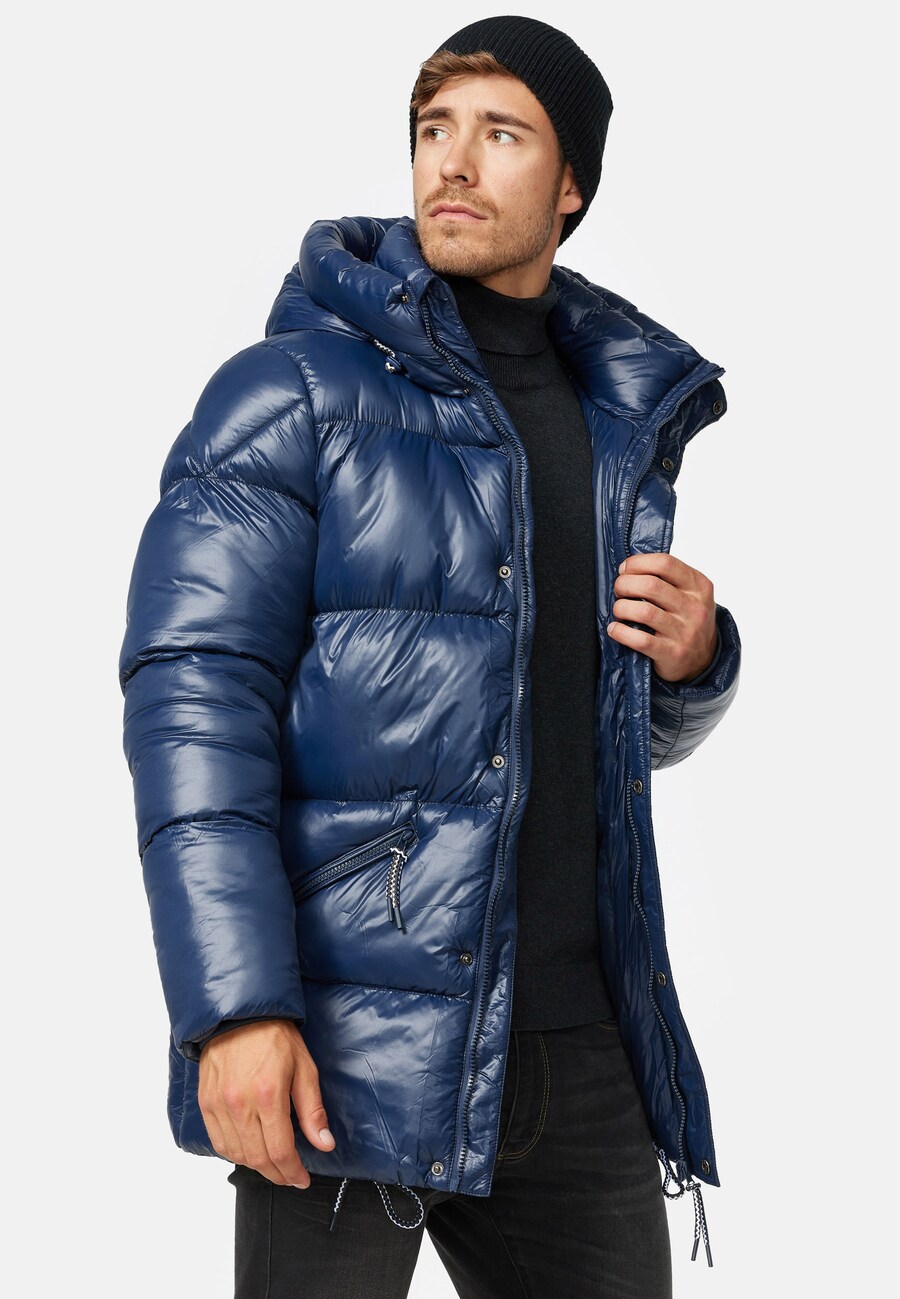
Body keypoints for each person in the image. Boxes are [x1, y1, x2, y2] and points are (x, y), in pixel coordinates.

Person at [118, 15, 741, 1298]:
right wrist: (237, 1009)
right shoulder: (292, 394)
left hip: (581, 1048)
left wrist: (693, 667)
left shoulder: (612, 418)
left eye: (501, 133)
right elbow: (194, 709)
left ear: (571, 187)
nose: (452, 163)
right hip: (347, 1049)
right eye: (432, 130)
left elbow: (564, 730)